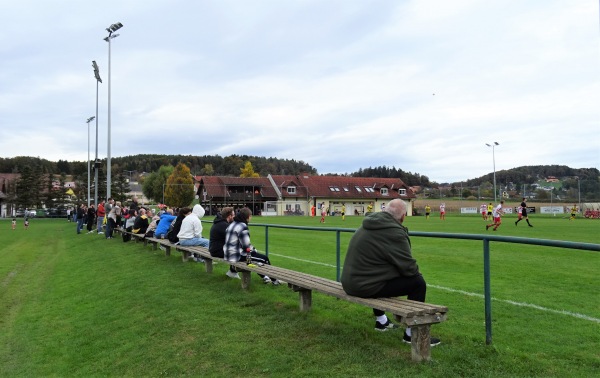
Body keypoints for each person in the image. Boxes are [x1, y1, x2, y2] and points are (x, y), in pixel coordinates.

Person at [341, 199, 440, 346]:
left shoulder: (370, 223)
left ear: (385, 211)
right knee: (418, 283)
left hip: (350, 282)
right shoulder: (394, 232)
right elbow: (409, 268)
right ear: (403, 217)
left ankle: (381, 321)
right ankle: (411, 334)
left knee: (379, 273)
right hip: (362, 285)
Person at [224, 207, 280, 285]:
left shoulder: (232, 224)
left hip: (227, 254)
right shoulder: (242, 226)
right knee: (264, 259)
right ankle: (275, 281)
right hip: (236, 256)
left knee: (257, 258)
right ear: (248, 216)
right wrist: (254, 250)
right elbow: (246, 246)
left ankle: (265, 276)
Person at [209, 207, 239, 279]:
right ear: (229, 216)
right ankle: (233, 272)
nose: (234, 217)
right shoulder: (224, 225)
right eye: (233, 215)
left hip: (214, 249)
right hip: (217, 251)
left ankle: (232, 271)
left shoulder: (220, 222)